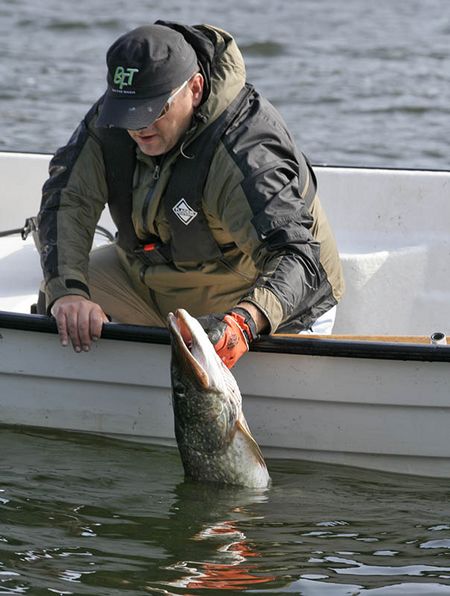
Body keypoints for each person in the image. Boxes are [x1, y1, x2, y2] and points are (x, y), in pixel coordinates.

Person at [37, 20, 344, 367]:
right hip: (156, 280)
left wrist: (244, 321)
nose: (138, 128)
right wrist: (70, 294)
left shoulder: (245, 152)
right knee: (60, 293)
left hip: (265, 298)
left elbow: (298, 257)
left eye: (154, 111)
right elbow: (68, 201)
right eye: (128, 112)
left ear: (195, 89)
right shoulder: (112, 120)